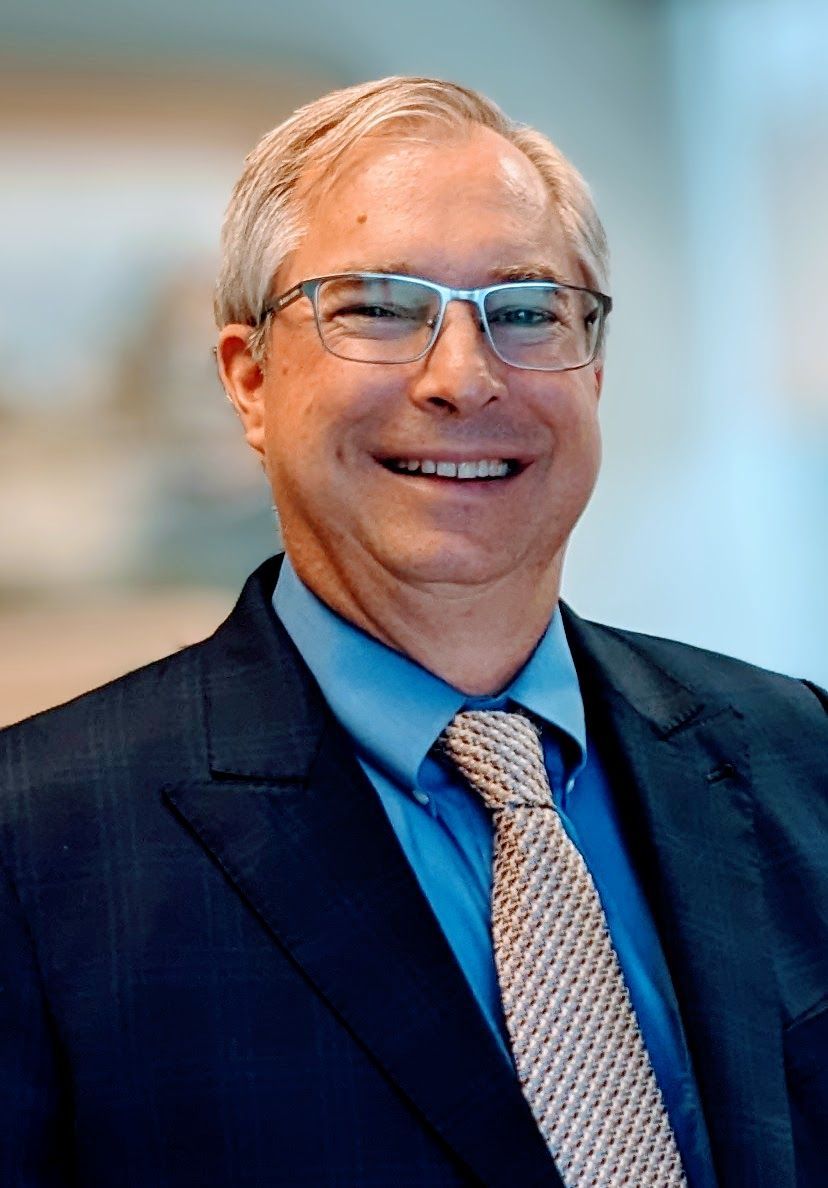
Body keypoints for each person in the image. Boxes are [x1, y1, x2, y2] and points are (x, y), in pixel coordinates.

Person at [0, 76, 825, 1188]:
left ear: (595, 366)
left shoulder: (795, 748)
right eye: (379, 308)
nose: (462, 378)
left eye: (527, 310)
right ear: (249, 382)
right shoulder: (32, 848)